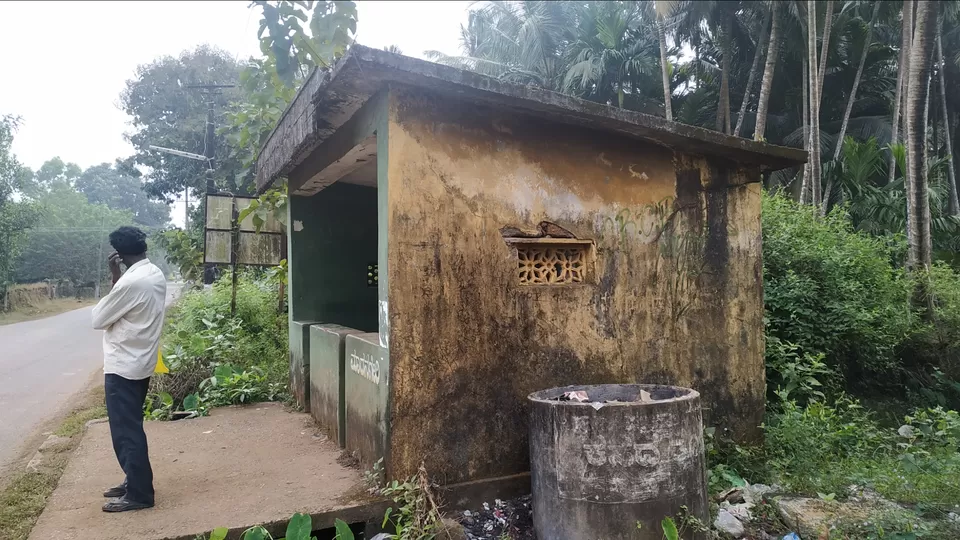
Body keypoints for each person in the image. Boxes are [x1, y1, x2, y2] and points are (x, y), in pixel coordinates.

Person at [91, 226, 167, 513]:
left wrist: (114, 276)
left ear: (119, 254)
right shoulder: (154, 273)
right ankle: (133, 479)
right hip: (141, 361)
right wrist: (118, 276)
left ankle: (139, 494)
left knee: (126, 432)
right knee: (131, 426)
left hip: (123, 365)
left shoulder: (131, 283)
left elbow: (99, 318)